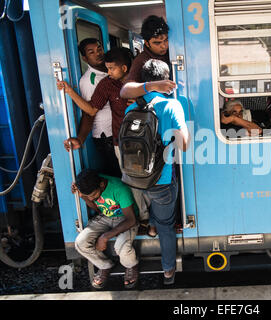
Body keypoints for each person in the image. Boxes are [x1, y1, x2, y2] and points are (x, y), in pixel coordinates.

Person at [126, 59, 189, 285]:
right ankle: (168, 270)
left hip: (135, 178)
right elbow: (184, 144)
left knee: (155, 206)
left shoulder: (131, 108)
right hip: (161, 180)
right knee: (167, 224)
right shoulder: (172, 106)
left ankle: (151, 225)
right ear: (167, 81)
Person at [57, 47, 133, 159]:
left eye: (111, 69)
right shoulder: (106, 84)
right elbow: (91, 110)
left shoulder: (141, 78)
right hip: (122, 140)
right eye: (108, 68)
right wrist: (69, 91)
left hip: (145, 135)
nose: (108, 72)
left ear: (124, 68)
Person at [63, 38, 121, 177]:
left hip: (118, 131)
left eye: (99, 49)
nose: (98, 53)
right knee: (118, 173)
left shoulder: (111, 71)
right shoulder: (89, 80)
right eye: (91, 52)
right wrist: (81, 139)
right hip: (106, 136)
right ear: (85, 58)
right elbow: (89, 112)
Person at [73, 169, 139, 289]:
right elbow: (98, 209)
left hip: (125, 219)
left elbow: (131, 220)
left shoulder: (119, 188)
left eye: (93, 195)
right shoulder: (91, 186)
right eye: (89, 196)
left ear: (102, 184)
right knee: (80, 243)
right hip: (106, 217)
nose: (91, 198)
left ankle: (131, 266)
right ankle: (105, 266)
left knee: (121, 247)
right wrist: (83, 196)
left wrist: (105, 237)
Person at [120, 15, 176, 99]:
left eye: (166, 40)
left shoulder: (175, 51)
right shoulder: (141, 60)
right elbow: (125, 91)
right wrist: (153, 86)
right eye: (157, 43)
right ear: (146, 43)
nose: (164, 46)